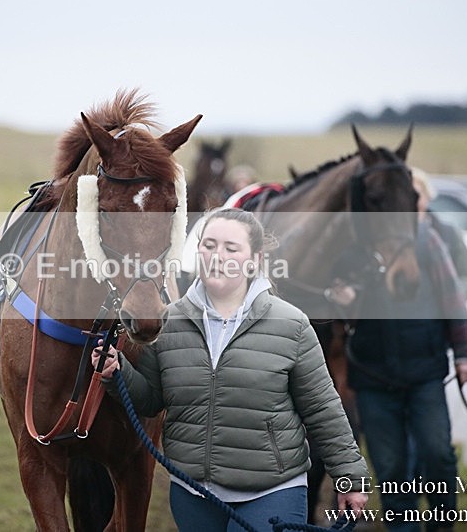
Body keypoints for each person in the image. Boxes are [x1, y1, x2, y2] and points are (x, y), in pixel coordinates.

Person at [93, 208, 369, 532]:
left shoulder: (290, 324)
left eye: (230, 248)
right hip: (193, 494)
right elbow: (153, 400)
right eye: (209, 245)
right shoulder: (169, 322)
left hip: (272, 492)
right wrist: (118, 372)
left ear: (254, 259)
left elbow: (323, 409)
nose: (217, 256)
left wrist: (349, 477)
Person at [326, 206, 467, 532]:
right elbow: (333, 314)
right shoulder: (349, 251)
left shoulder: (428, 240)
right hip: (372, 377)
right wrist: (344, 298)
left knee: (438, 454)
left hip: (424, 372)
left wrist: (465, 354)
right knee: (390, 467)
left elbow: (453, 298)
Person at [412, 167, 467, 299]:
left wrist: (455, 296)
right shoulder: (390, 238)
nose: (412, 201)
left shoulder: (447, 233)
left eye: (417, 195)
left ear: (427, 196)